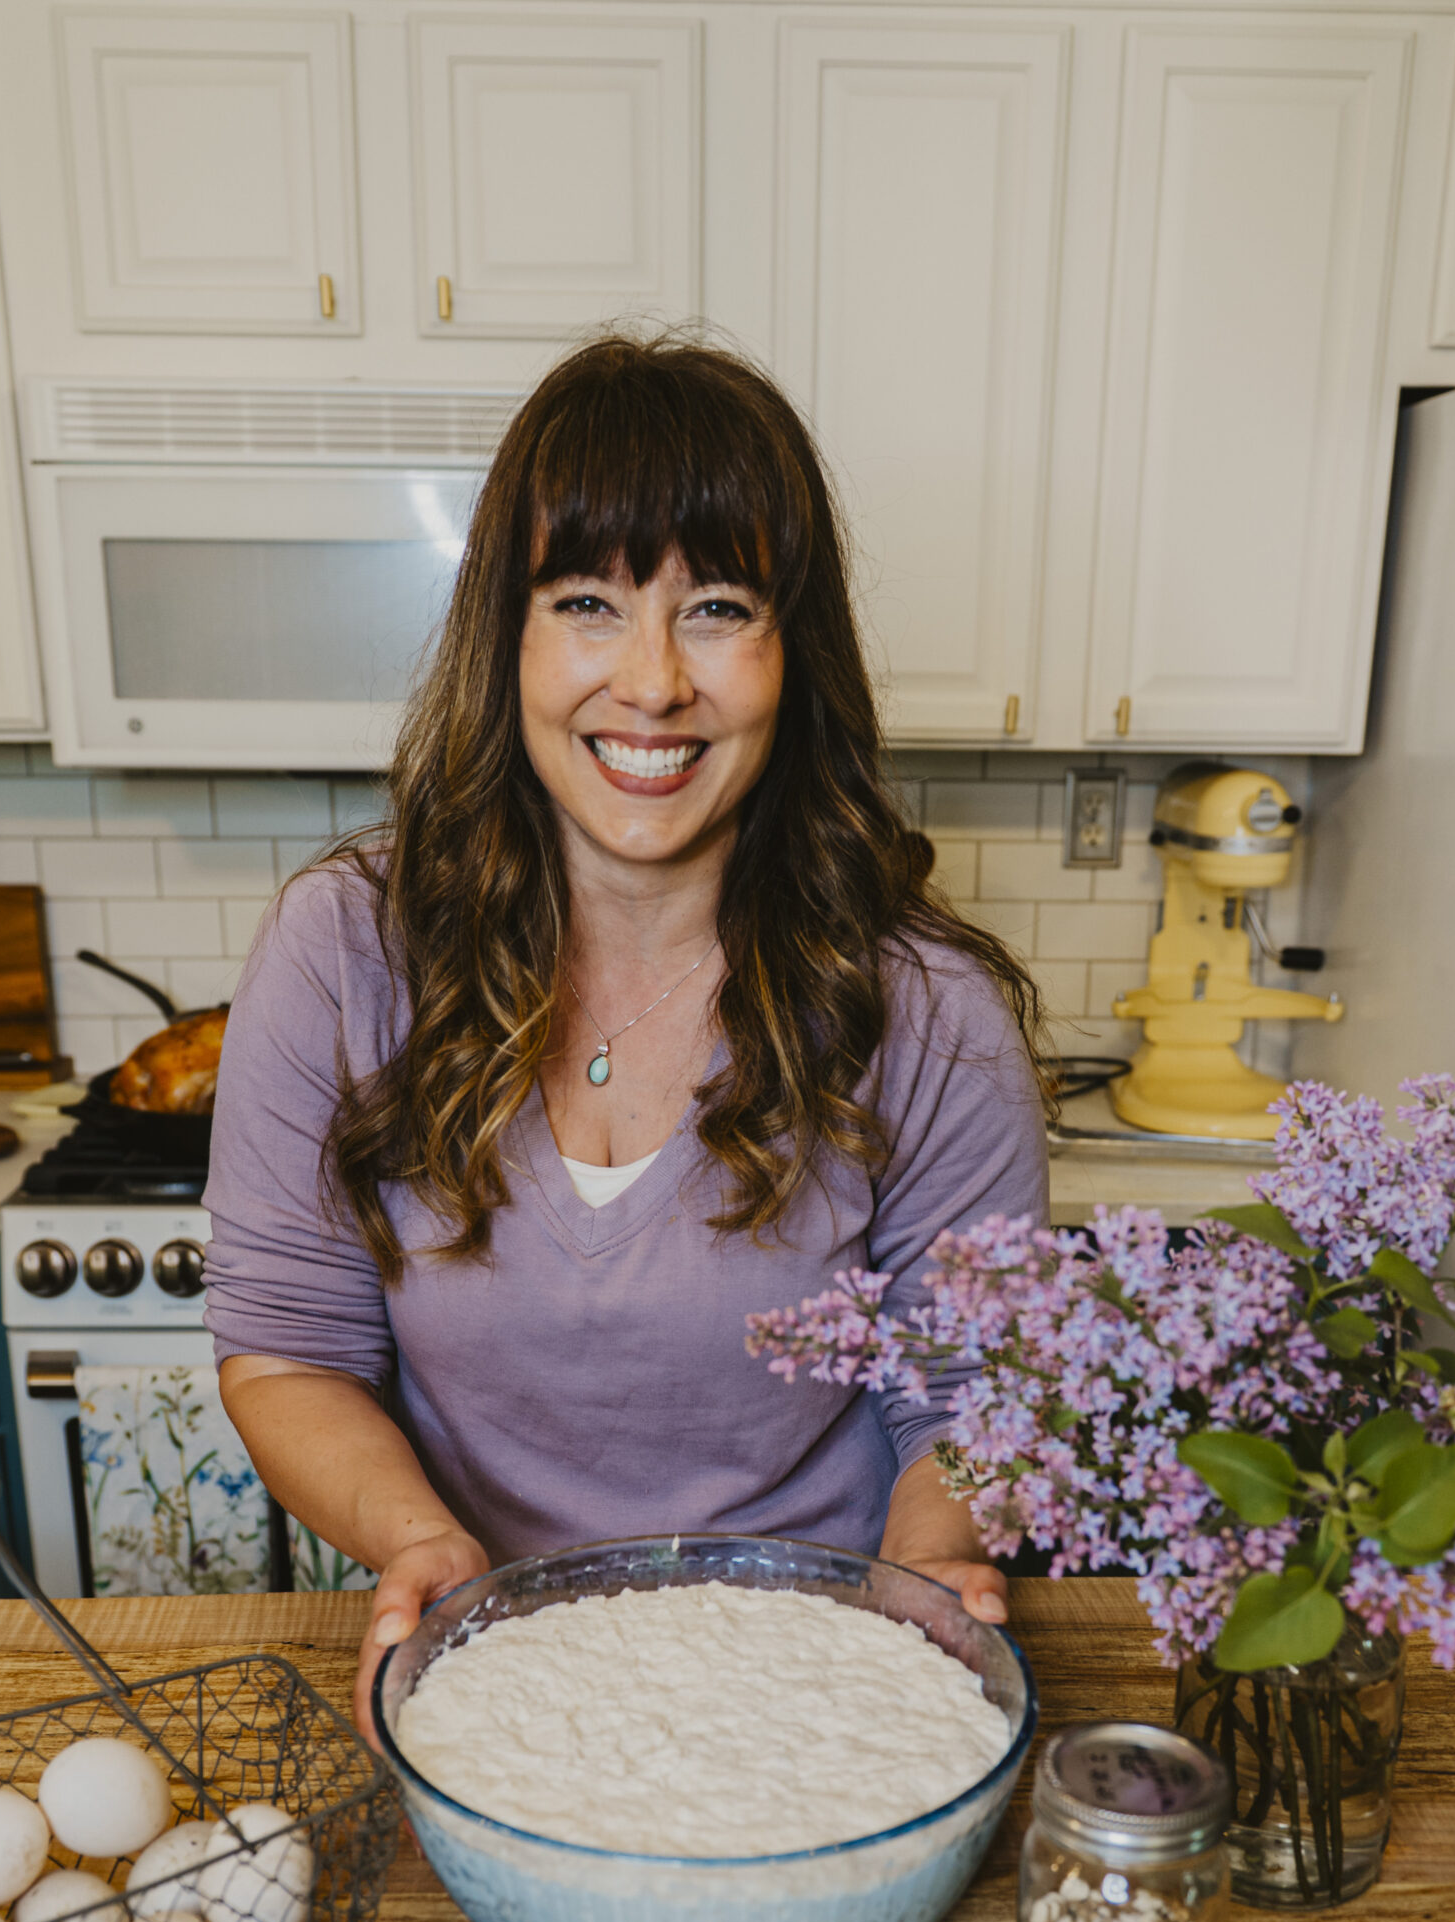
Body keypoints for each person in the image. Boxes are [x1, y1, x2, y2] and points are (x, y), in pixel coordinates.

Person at [205, 332, 1051, 1731]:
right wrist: (424, 1550)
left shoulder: (929, 1012)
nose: (654, 683)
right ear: (510, 639)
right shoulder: (344, 952)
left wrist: (932, 1564)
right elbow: (290, 1352)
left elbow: (969, 1398)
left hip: (820, 1687)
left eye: (718, 606)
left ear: (797, 651)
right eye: (589, 601)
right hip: (489, 1674)